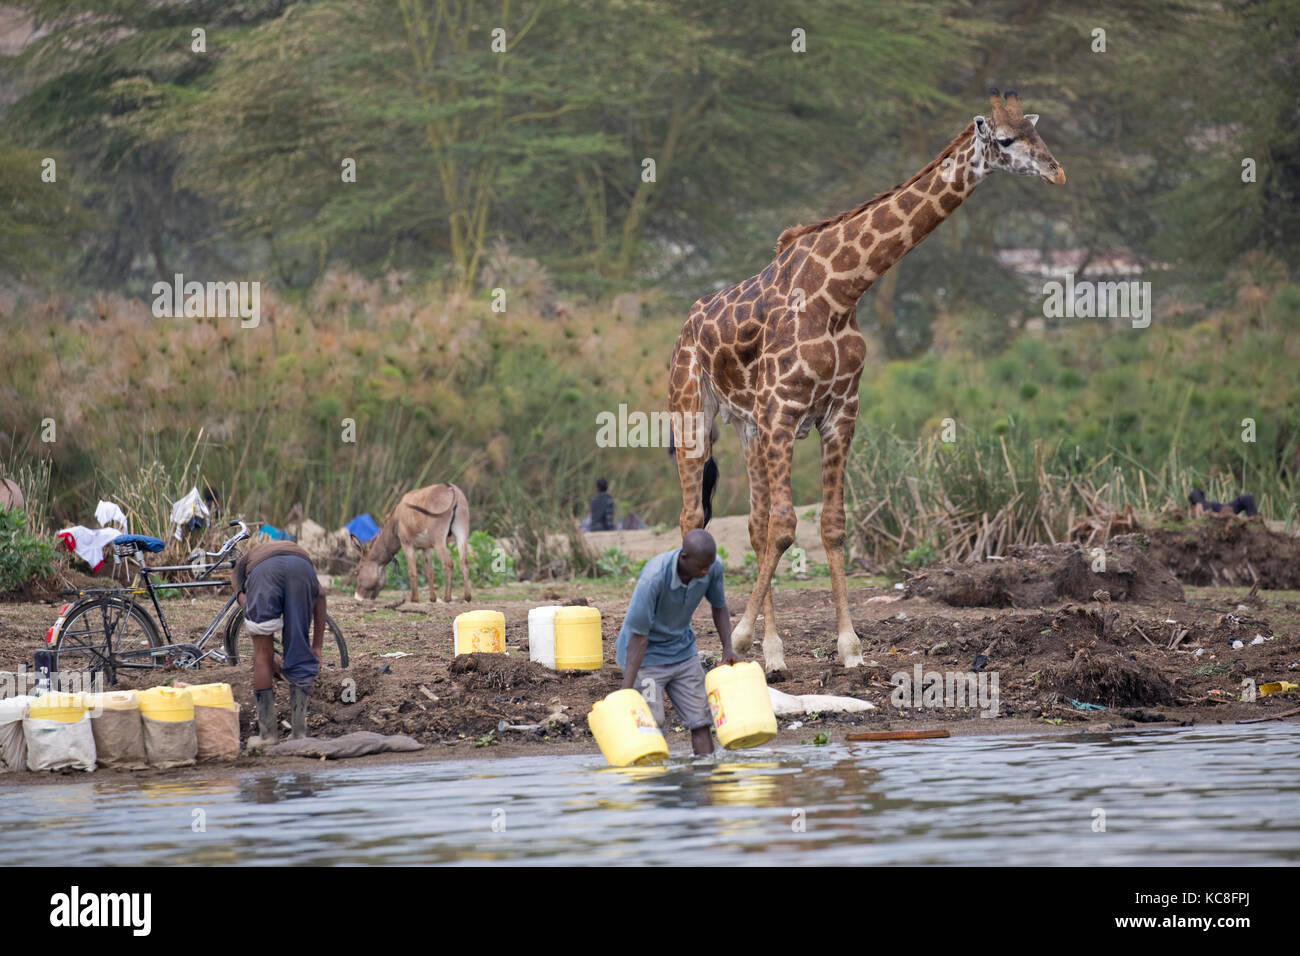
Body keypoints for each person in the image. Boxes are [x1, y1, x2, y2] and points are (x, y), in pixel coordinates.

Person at [616, 528, 737, 755]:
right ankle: (654, 783)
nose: (706, 570)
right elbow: (639, 636)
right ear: (684, 557)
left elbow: (719, 606)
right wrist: (627, 690)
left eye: (709, 565)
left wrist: (728, 648)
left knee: (700, 719)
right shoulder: (653, 578)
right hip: (646, 660)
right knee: (652, 724)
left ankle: (704, 776)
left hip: (683, 654)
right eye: (702, 566)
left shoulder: (711, 567)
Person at [230, 540, 326, 746]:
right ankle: (299, 734)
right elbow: (321, 595)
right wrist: (316, 647)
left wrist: (243, 599)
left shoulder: (245, 565)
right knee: (300, 652)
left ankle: (267, 736)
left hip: (266, 574)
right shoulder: (295, 551)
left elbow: (241, 593)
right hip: (301, 568)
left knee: (262, 658)